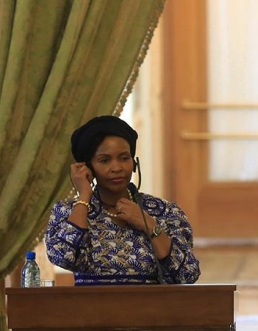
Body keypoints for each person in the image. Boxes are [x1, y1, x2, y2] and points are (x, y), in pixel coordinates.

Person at [46, 116, 200, 285]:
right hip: (91, 309)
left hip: (152, 308)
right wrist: (84, 196)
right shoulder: (68, 211)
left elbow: (188, 274)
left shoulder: (165, 212)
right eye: (105, 160)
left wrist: (148, 224)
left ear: (134, 162)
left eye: (124, 158)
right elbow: (63, 257)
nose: (117, 168)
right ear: (88, 167)